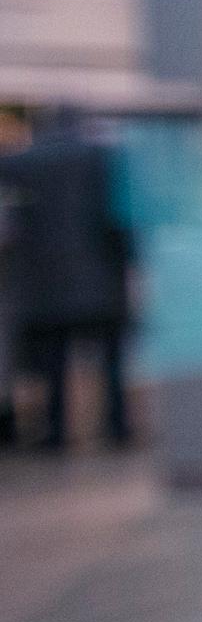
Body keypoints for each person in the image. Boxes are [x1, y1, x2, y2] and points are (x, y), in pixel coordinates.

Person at [0, 109, 137, 451]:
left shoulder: (23, 162)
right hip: (100, 276)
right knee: (110, 362)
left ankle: (57, 432)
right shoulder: (100, 158)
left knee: (54, 364)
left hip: (46, 282)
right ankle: (117, 427)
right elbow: (118, 217)